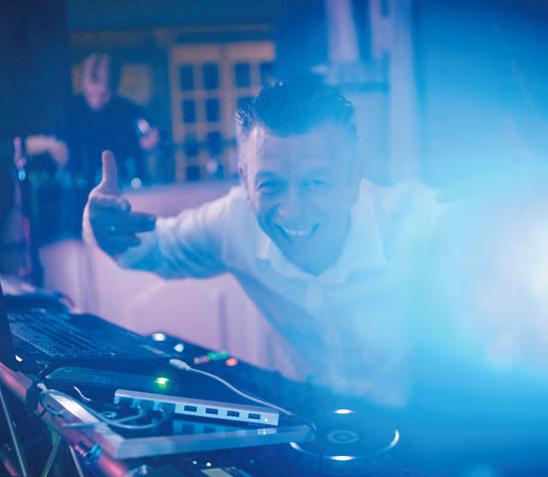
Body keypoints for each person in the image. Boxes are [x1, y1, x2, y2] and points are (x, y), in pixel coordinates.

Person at [83, 77, 441, 406]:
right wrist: (104, 226)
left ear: (352, 178)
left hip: (438, 427)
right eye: (271, 185)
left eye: (315, 182)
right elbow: (154, 248)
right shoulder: (232, 221)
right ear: (244, 180)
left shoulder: (419, 223)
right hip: (317, 420)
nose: (292, 210)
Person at [69, 53, 159, 188]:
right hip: (82, 188)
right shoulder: (73, 112)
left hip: (126, 186)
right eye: (91, 94)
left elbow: (150, 133)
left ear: (112, 87)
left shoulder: (128, 111)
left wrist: (151, 137)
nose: (96, 100)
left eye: (102, 95)